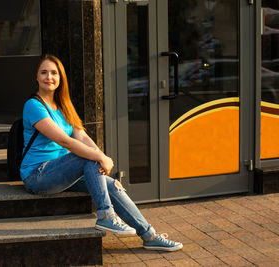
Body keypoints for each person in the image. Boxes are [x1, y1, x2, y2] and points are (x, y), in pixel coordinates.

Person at [20, 54, 183, 252]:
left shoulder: (64, 106)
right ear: (36, 77)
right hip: (38, 175)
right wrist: (99, 157)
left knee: (112, 184)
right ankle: (106, 216)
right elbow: (65, 141)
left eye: (54, 73)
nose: (49, 77)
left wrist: (103, 162)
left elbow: (82, 138)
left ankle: (150, 236)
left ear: (61, 78)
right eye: (44, 72)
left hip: (62, 173)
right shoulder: (33, 105)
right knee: (88, 157)